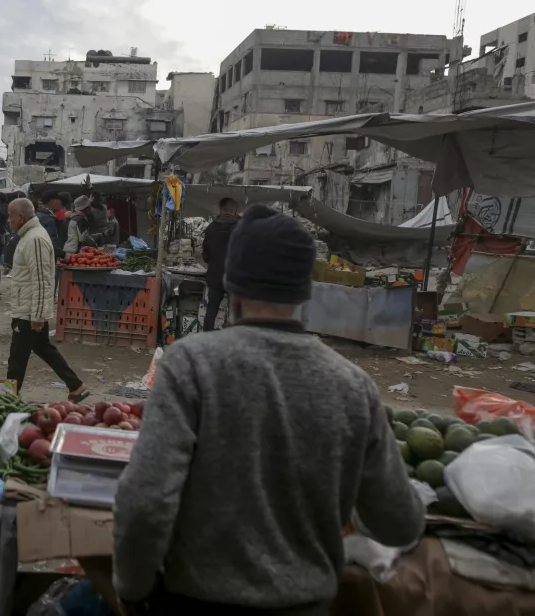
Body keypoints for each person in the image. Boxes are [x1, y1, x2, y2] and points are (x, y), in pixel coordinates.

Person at [112, 205, 425, 615]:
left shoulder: (192, 364)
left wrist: (133, 589)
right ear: (304, 290)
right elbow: (399, 522)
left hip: (195, 600)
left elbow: (146, 501)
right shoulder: (353, 386)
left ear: (232, 285)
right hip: (307, 604)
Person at [5, 199, 87, 400]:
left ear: (20, 217)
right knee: (44, 348)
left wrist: (38, 315)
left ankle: (6, 399)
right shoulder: (30, 236)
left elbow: (41, 280)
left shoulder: (34, 239)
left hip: (29, 311)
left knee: (16, 359)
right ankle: (76, 386)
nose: (8, 220)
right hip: (27, 306)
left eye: (10, 216)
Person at [201, 197, 240, 332]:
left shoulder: (211, 228)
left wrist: (213, 262)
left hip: (215, 276)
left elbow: (205, 254)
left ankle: (207, 339)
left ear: (221, 210)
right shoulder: (241, 228)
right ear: (235, 211)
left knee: (211, 310)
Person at [36, 191, 64, 257]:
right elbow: (51, 243)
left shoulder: (37, 215)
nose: (61, 202)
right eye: (59, 200)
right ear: (52, 201)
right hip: (46, 256)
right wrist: (63, 254)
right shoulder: (49, 219)